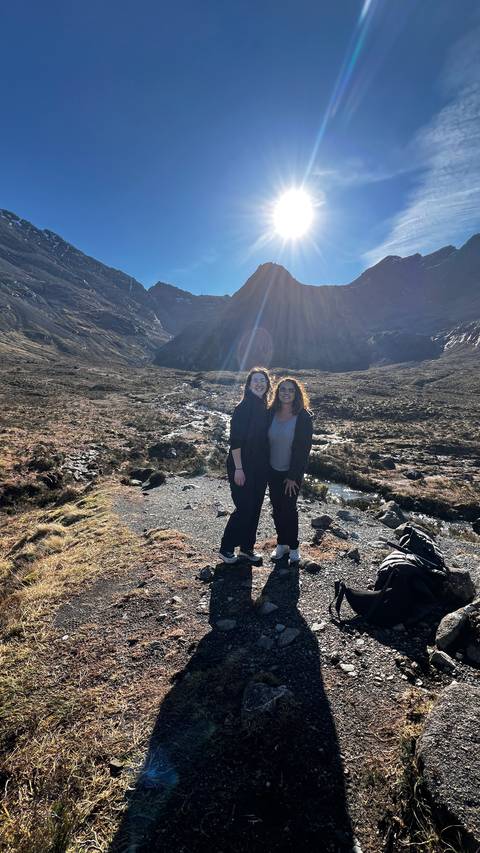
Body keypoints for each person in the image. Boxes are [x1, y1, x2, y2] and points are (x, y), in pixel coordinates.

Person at [219, 367, 272, 564]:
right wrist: (239, 469)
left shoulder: (264, 407)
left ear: (267, 385)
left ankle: (247, 549)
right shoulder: (242, 408)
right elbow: (236, 441)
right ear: (249, 385)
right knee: (244, 507)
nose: (259, 383)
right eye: (255, 380)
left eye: (263, 380)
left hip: (260, 467)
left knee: (255, 507)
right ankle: (226, 548)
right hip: (241, 466)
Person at [268, 377, 313, 564]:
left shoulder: (303, 416)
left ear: (297, 394)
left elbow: (304, 449)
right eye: (283, 389)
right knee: (277, 509)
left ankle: (293, 546)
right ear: (277, 393)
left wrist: (293, 476)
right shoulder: (270, 413)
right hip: (272, 470)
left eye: (291, 390)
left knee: (289, 509)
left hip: (291, 473)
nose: (286, 393)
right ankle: (281, 543)